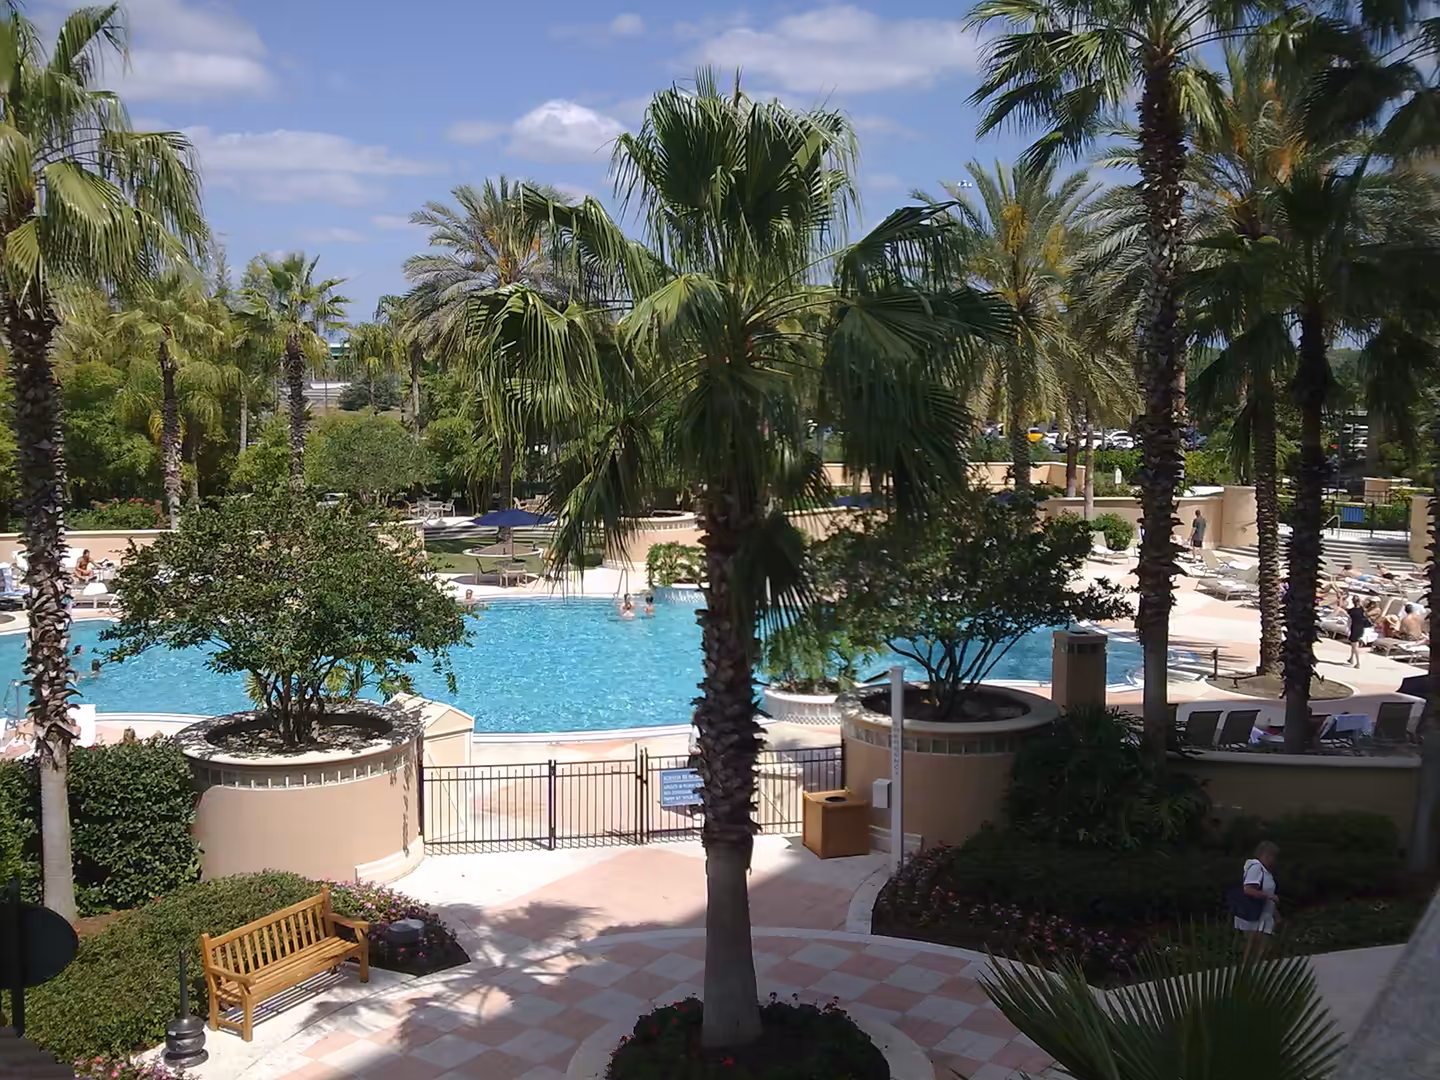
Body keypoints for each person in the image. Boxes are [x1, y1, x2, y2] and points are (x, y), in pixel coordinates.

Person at [1234, 841, 1280, 960]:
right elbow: (1248, 890)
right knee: (1254, 949)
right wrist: (1269, 896)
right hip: (1255, 916)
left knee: (1262, 948)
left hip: (1265, 916)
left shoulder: (1265, 871)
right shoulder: (1256, 868)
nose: (1273, 860)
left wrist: (1276, 913)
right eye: (1271, 856)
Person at [1347, 595, 1371, 667]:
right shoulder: (1362, 610)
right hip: (1361, 628)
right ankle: (1351, 658)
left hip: (1354, 628)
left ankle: (1358, 663)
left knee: (1355, 645)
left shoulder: (1351, 611)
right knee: (1354, 644)